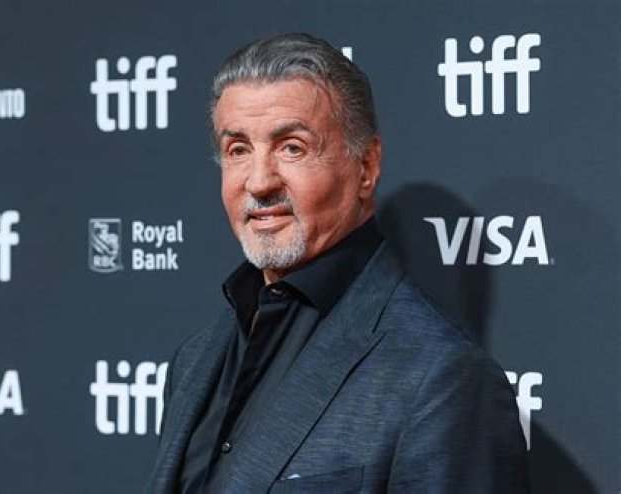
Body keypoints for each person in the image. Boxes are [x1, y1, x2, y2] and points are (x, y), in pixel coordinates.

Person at [147, 32, 529, 493]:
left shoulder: (441, 379)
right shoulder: (193, 360)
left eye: (292, 147)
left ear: (366, 166)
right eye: (238, 150)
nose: (260, 181)